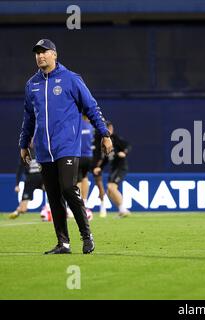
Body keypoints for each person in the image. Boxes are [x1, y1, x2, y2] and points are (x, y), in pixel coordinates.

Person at [19, 39, 113, 254]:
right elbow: (28, 118)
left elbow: (91, 108)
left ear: (55, 54)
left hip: (67, 146)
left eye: (44, 52)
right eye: (37, 53)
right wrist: (24, 144)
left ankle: (86, 235)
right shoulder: (31, 84)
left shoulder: (71, 79)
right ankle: (64, 243)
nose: (40, 56)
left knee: (69, 188)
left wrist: (104, 134)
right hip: (43, 149)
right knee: (53, 195)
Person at [93, 121, 131, 217]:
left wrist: (124, 152)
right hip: (114, 168)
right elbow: (106, 158)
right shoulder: (104, 142)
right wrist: (99, 167)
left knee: (111, 187)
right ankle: (121, 210)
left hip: (120, 167)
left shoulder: (115, 139)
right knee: (109, 191)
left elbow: (127, 145)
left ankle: (123, 209)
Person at [9, 142, 46, 219]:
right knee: (23, 209)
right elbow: (20, 169)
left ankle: (47, 211)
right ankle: (18, 210)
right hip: (30, 181)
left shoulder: (42, 151)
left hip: (42, 179)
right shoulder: (25, 153)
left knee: (53, 193)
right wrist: (17, 184)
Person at [77, 115, 95, 219]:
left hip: (78, 156)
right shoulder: (90, 127)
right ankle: (84, 203)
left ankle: (77, 205)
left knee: (76, 180)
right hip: (88, 157)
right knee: (84, 177)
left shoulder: (76, 125)